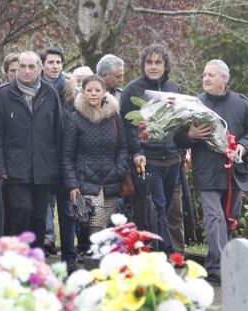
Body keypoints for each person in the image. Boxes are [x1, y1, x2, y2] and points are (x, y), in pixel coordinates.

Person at [174, 59, 248, 284]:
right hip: (207, 173)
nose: (205, 78)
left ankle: (217, 262)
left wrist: (243, 146)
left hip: (235, 173)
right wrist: (190, 136)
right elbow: (177, 137)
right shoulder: (194, 104)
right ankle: (219, 267)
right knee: (214, 219)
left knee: (229, 220)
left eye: (211, 75)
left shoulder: (241, 103)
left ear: (224, 79)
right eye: (204, 74)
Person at [0, 50, 62, 249]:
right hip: (15, 167)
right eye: (23, 66)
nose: (27, 71)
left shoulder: (50, 93)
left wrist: (58, 165)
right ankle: (17, 254)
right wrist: (0, 168)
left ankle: (36, 255)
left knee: (39, 215)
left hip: (44, 166)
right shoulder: (3, 94)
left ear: (40, 68)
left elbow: (58, 131)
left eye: (32, 67)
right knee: (21, 210)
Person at [120, 44, 181, 254]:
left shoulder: (174, 88)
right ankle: (167, 252)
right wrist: (137, 152)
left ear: (166, 65)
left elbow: (179, 123)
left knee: (164, 206)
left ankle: (149, 249)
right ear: (143, 65)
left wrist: (184, 148)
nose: (153, 66)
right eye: (149, 62)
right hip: (147, 158)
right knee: (158, 205)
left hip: (172, 158)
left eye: (158, 62)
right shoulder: (132, 90)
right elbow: (127, 127)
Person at [62, 74, 128, 241]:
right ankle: (95, 262)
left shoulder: (114, 117)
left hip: (111, 182)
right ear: (82, 93)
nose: (93, 93)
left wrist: (119, 170)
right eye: (89, 90)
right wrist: (73, 184)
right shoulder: (75, 118)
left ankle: (94, 258)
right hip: (86, 183)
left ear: (104, 93)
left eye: (97, 90)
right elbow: (67, 155)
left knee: (106, 229)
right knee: (96, 225)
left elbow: (123, 147)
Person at [40, 47, 77, 270]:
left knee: (67, 212)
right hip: (43, 159)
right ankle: (39, 254)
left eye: (58, 62)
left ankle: (70, 257)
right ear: (43, 65)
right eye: (51, 62)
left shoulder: (71, 92)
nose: (55, 66)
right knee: (40, 211)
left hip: (66, 159)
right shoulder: (36, 89)